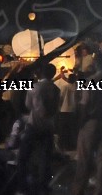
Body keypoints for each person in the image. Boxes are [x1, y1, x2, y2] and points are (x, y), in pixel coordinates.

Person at [72, 52, 102, 195]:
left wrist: (80, 122)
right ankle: (100, 189)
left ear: (97, 63)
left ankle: (79, 189)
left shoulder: (91, 81)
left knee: (84, 158)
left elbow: (84, 105)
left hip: (91, 122)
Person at [17, 63, 60, 195]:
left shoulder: (35, 87)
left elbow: (28, 105)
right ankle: (43, 186)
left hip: (34, 125)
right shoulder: (56, 89)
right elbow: (56, 108)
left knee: (23, 156)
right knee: (45, 158)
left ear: (41, 73)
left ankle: (22, 186)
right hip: (48, 127)